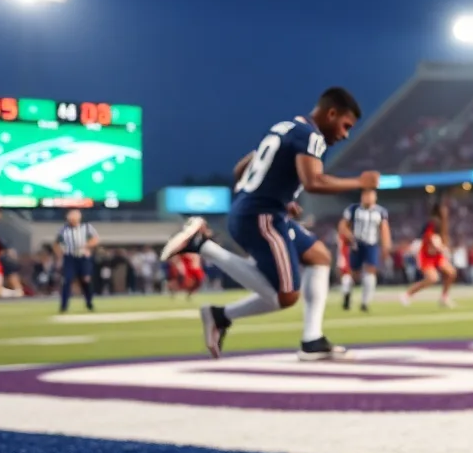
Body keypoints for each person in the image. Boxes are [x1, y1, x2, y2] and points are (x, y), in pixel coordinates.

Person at [161, 87, 376, 360]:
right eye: (345, 126)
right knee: (286, 296)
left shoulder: (284, 127)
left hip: (257, 210)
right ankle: (203, 249)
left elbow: (241, 170)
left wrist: (280, 194)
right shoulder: (312, 136)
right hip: (262, 217)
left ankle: (312, 339)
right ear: (331, 113)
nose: (345, 135)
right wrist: (361, 182)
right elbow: (314, 182)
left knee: (319, 257)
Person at [339, 189, 391, 311]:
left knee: (371, 270)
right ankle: (347, 294)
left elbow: (384, 229)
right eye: (367, 195)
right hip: (356, 243)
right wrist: (349, 237)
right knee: (353, 273)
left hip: (372, 244)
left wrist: (386, 246)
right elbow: (342, 226)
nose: (369, 198)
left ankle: (365, 302)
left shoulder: (381, 211)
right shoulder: (353, 209)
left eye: (371, 195)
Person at [401, 201, 456, 308]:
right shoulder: (433, 223)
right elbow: (429, 238)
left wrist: (442, 247)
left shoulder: (443, 223)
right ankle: (407, 294)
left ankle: (444, 297)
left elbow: (442, 239)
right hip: (426, 255)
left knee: (451, 273)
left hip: (436, 255)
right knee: (432, 278)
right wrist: (440, 247)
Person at [55, 209, 99, 312]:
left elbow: (95, 239)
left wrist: (86, 246)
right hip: (70, 257)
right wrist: (60, 254)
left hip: (83, 257)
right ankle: (64, 305)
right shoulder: (63, 230)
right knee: (67, 280)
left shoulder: (87, 228)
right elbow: (56, 243)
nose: (72, 221)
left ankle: (89, 302)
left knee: (86, 280)